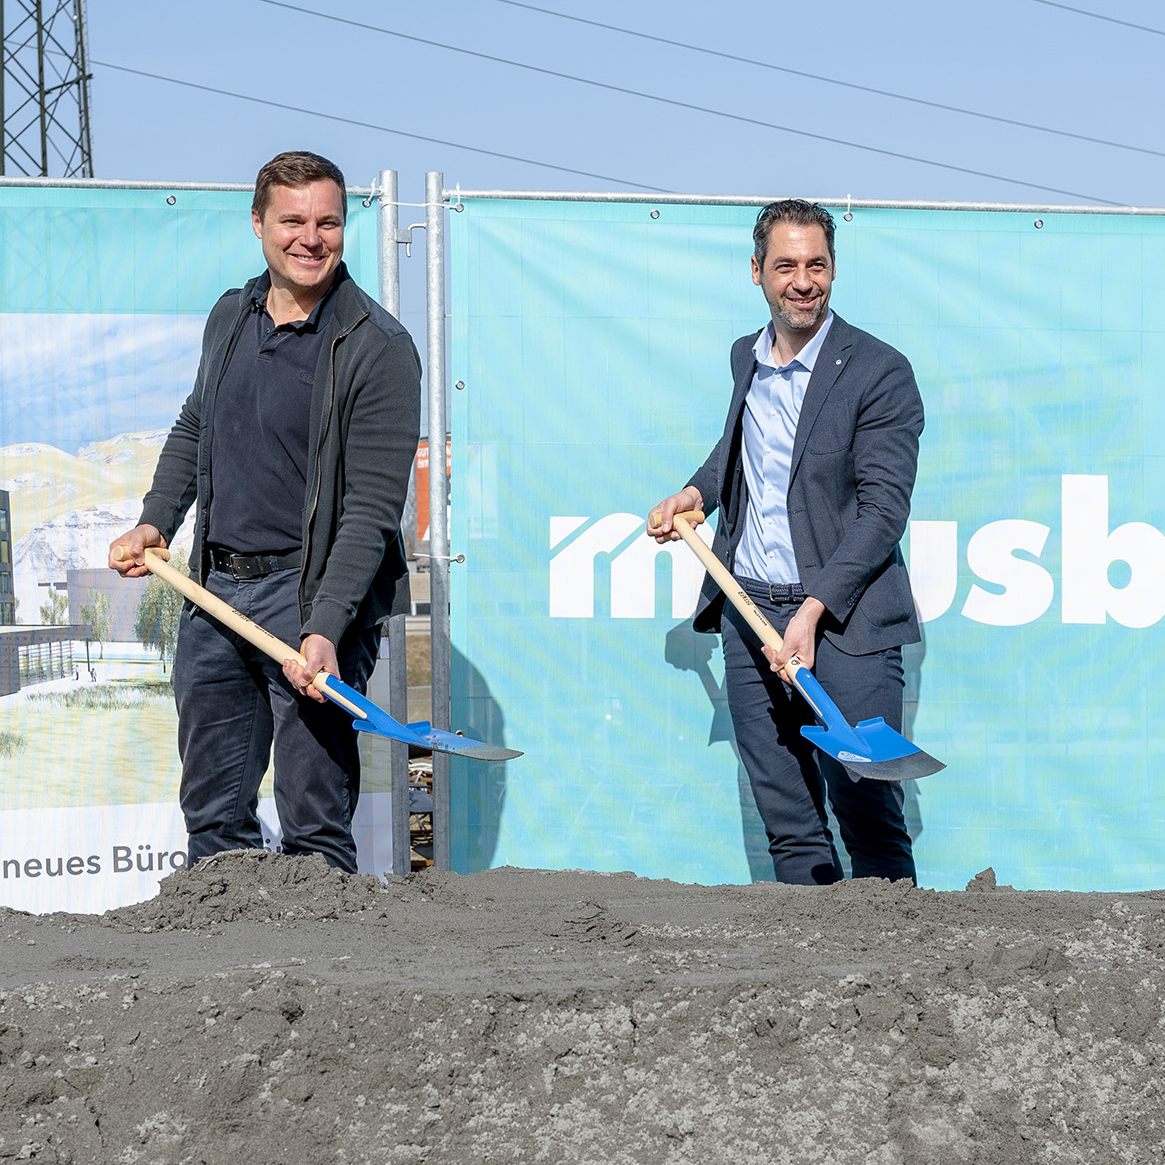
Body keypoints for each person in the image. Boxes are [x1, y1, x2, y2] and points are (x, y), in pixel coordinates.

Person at [109, 150, 422, 873]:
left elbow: (371, 510)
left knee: (313, 820)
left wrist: (326, 627)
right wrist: (157, 517)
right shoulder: (230, 314)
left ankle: (324, 978)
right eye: (292, 221)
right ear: (258, 224)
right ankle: (231, 977)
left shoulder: (378, 348)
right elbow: (197, 426)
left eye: (328, 222)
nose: (310, 238)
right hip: (214, 593)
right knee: (214, 815)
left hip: (307, 598)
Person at [648, 199, 922, 885]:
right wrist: (695, 494)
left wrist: (810, 612)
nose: (802, 281)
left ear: (832, 269)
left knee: (867, 809)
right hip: (748, 613)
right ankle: (810, 975)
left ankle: (899, 972)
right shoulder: (747, 357)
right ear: (756, 272)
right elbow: (736, 452)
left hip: (842, 621)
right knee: (788, 820)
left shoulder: (879, 371)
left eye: (816, 265)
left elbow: (883, 510)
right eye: (785, 266)